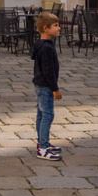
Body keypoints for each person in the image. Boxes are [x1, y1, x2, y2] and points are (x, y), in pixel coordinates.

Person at [32, 12, 62, 161]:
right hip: (45, 86)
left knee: (41, 114)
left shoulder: (41, 45)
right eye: (55, 26)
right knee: (48, 115)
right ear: (46, 28)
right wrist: (55, 89)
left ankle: (42, 142)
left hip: (40, 85)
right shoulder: (47, 48)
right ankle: (43, 148)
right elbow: (48, 70)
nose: (59, 28)